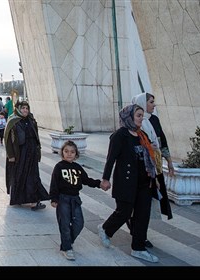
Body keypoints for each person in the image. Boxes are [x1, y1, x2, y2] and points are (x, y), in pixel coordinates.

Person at [98, 104, 159, 263]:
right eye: (138, 115)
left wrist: (155, 177)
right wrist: (105, 179)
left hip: (144, 182)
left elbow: (149, 158)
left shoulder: (142, 134)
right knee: (124, 212)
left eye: (142, 115)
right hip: (126, 182)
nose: (141, 118)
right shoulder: (119, 135)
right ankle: (105, 229)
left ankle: (138, 248)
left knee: (142, 215)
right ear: (129, 116)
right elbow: (110, 159)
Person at [131, 92, 174, 247]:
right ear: (142, 103)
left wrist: (168, 161)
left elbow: (162, 141)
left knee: (148, 204)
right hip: (142, 170)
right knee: (139, 204)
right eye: (151, 102)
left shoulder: (154, 120)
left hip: (155, 168)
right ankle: (137, 234)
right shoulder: (134, 122)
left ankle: (140, 234)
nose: (153, 105)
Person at [50, 140, 103, 261]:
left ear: (76, 154)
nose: (69, 154)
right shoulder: (59, 167)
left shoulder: (77, 167)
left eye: (72, 152)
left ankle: (67, 241)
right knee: (64, 224)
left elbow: (87, 180)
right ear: (62, 152)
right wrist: (54, 199)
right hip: (63, 199)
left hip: (75, 199)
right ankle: (66, 247)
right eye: (66, 151)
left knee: (79, 223)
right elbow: (54, 184)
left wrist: (99, 184)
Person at [4, 100, 50, 210]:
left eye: (26, 108)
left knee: (32, 176)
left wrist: (38, 151)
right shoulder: (13, 121)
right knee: (19, 175)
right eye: (23, 108)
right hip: (20, 153)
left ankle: (34, 201)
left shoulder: (31, 120)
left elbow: (36, 136)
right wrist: (11, 155)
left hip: (32, 152)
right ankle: (19, 199)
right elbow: (8, 140)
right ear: (18, 109)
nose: (25, 110)